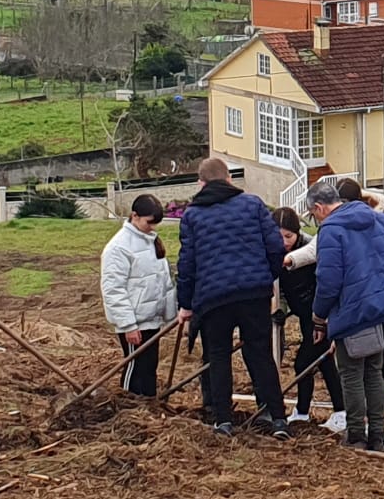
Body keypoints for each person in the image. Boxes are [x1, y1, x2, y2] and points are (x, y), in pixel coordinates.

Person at [175, 157, 288, 440]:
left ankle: (223, 420)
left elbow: (187, 264)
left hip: (213, 297)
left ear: (201, 183)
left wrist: (185, 304)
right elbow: (275, 246)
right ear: (228, 179)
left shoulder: (193, 216)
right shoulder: (252, 204)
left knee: (218, 356)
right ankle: (277, 418)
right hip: (254, 293)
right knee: (261, 354)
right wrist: (266, 277)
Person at [313, 177, 384, 451]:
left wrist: (319, 315)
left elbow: (329, 281)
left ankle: (357, 435)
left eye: (313, 213)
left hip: (353, 310)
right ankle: (378, 436)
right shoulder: (380, 220)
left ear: (321, 207)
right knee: (373, 370)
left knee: (351, 372)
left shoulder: (331, 231)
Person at [266, 205, 344, 425]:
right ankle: (335, 411)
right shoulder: (273, 251)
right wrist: (280, 309)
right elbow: (276, 285)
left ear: (297, 232)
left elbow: (326, 280)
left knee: (303, 363)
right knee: (325, 363)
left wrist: (324, 315)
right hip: (302, 314)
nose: (283, 242)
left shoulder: (311, 247)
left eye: (288, 236)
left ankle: (306, 410)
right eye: (278, 236)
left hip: (319, 315)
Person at [102, 195, 179, 399]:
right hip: (134, 323)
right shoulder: (118, 248)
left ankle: (149, 407)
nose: (152, 227)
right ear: (134, 216)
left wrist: (170, 312)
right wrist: (128, 325)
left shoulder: (150, 242)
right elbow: (113, 289)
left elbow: (162, 281)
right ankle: (127, 407)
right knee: (134, 367)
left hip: (151, 319)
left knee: (149, 367)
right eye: (149, 222)